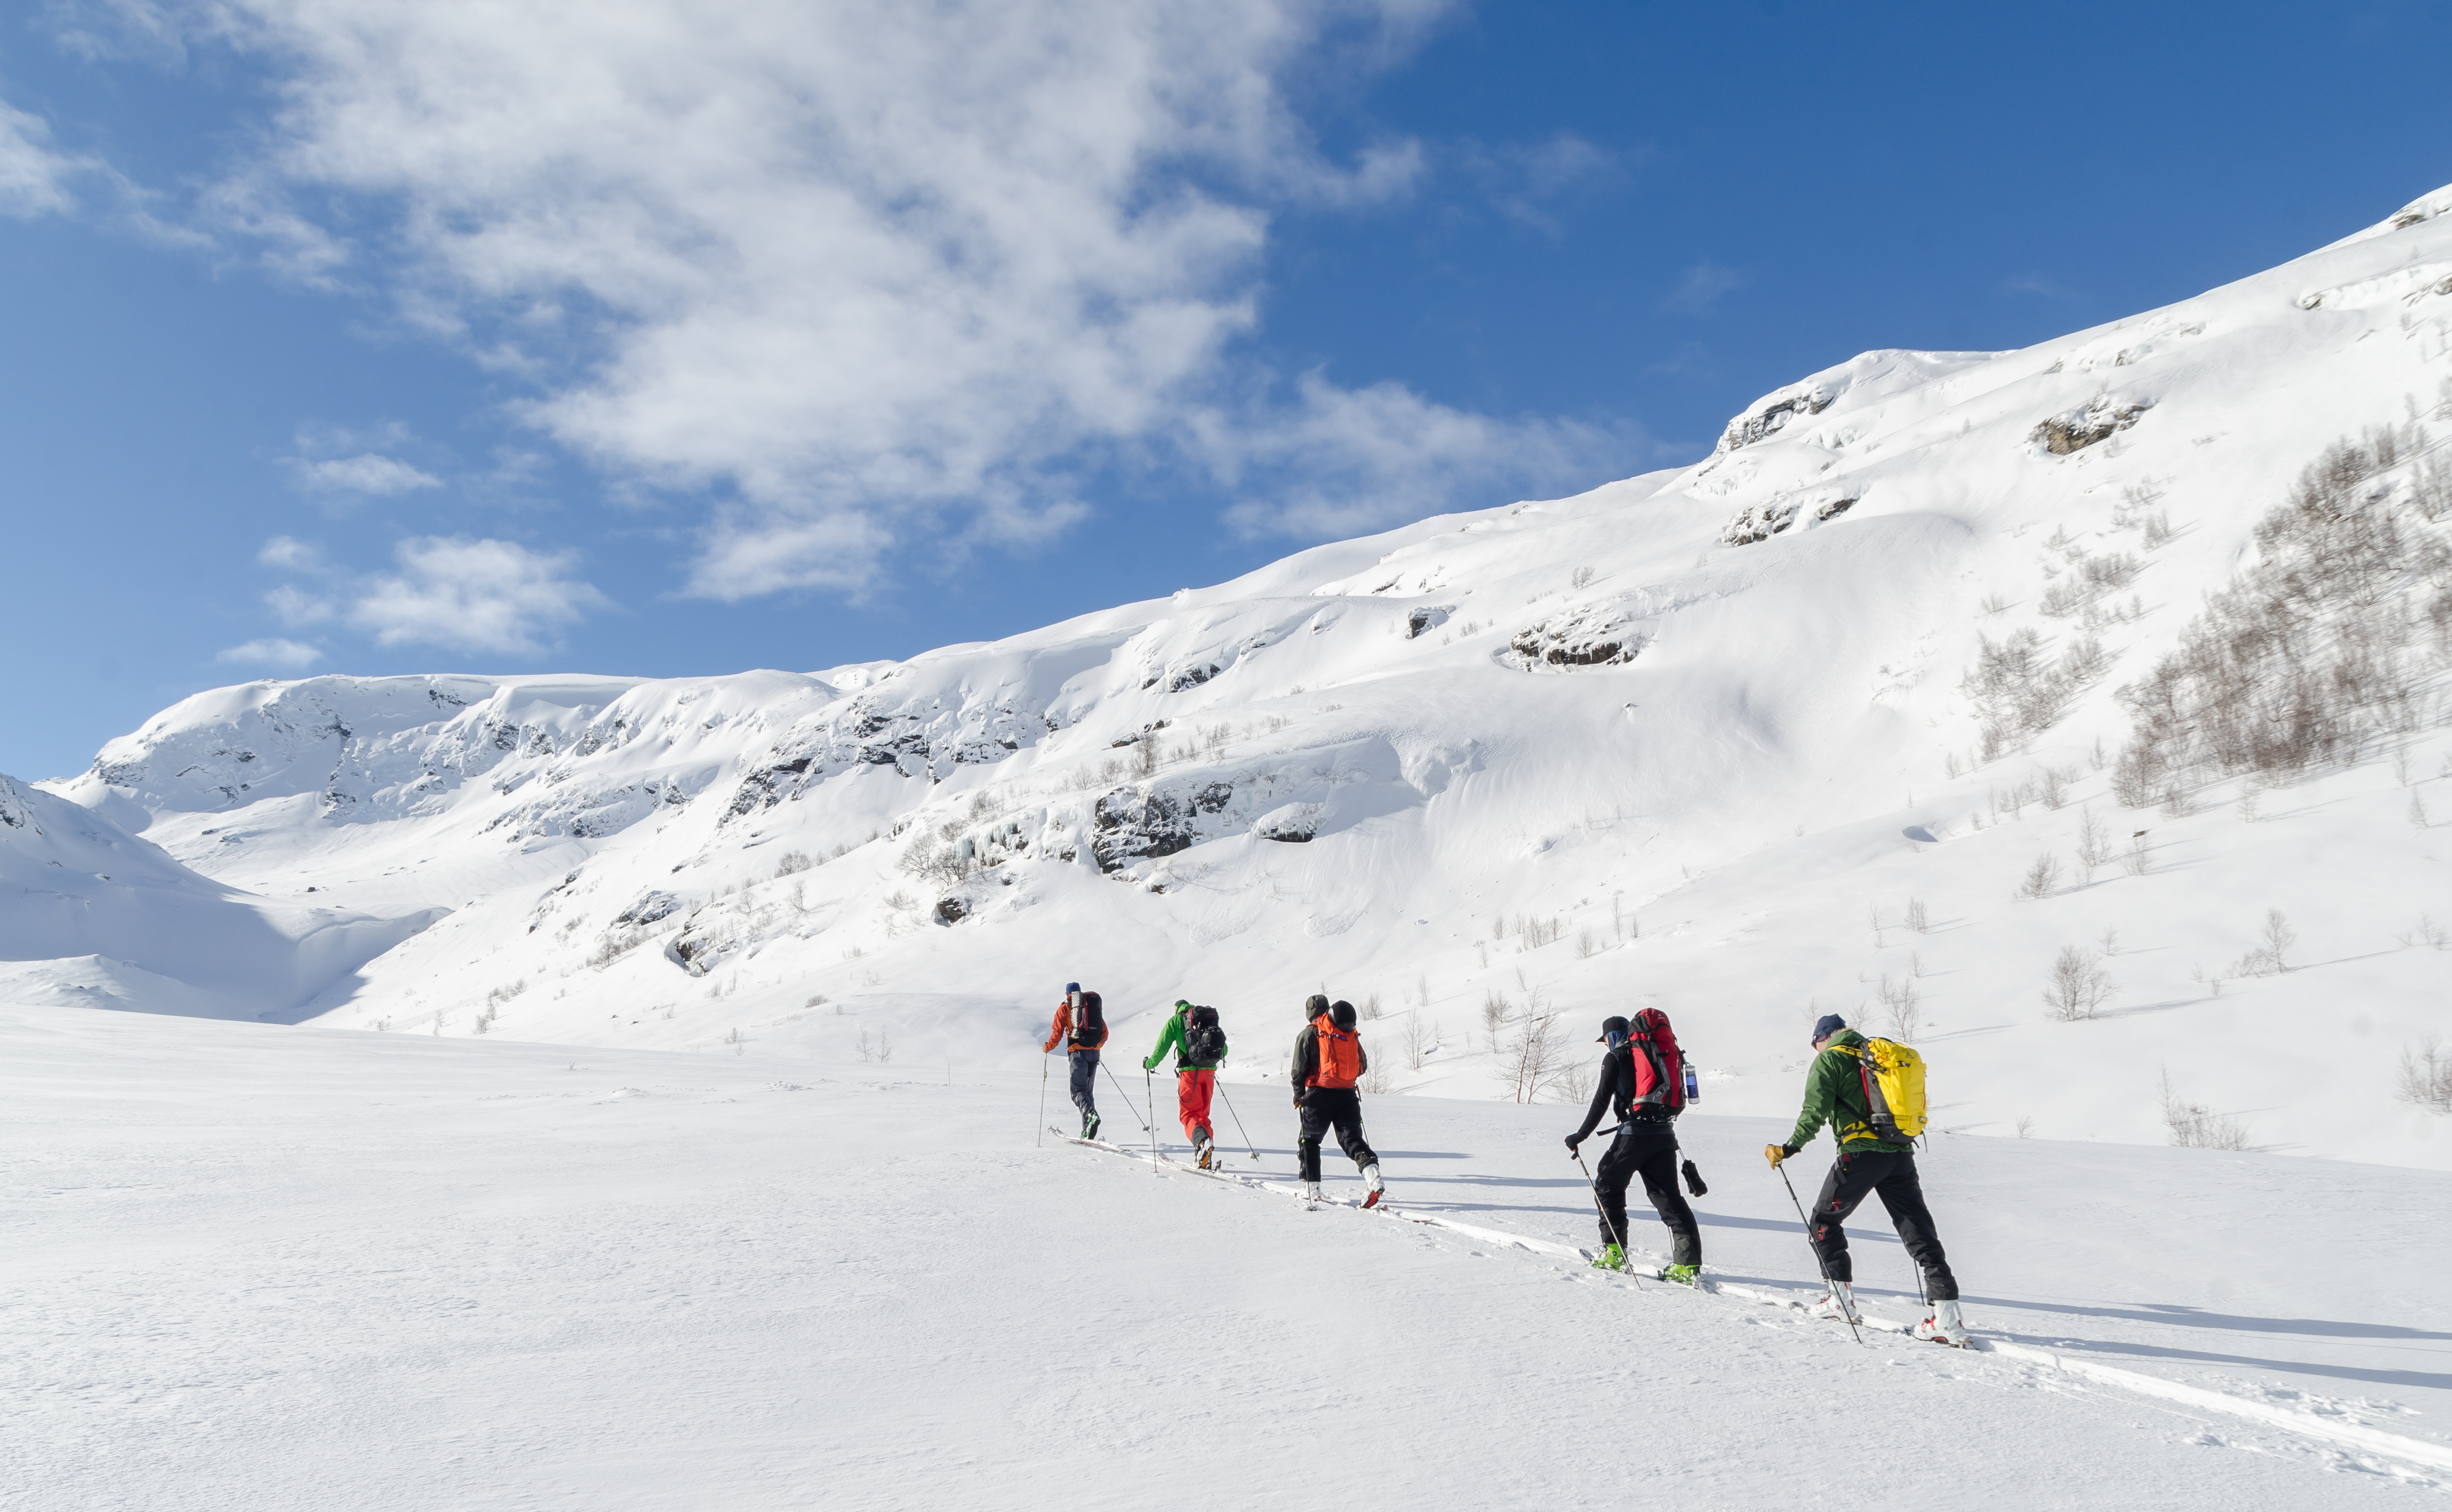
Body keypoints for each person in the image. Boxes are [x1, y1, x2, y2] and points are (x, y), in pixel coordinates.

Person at [1766, 1012, 1967, 1345]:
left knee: (1823, 1221)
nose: (1815, 1050)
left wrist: (1790, 1148)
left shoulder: (1829, 1059)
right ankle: (1947, 1318)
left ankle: (1839, 1302)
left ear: (1823, 1038)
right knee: (1918, 1231)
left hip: (1859, 1155)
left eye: (1815, 1044)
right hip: (1900, 1155)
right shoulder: (1873, 1057)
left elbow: (1814, 1110)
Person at [1565, 1011, 1702, 1284]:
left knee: (1607, 1185)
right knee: (1668, 1197)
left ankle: (1614, 1254)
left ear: (1612, 1035)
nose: (1606, 1045)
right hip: (1664, 1133)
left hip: (1634, 1135)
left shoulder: (1615, 1057)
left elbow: (1601, 1101)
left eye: (1605, 1039)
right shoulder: (1657, 1053)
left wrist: (1580, 1136)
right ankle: (1687, 1266)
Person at [1289, 996, 1383, 1207]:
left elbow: (1297, 1070)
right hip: (1348, 1095)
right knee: (1351, 1138)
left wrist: (1298, 1094)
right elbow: (1363, 1065)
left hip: (1319, 1095)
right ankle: (1372, 1174)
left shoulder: (1309, 1033)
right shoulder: (1346, 1032)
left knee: (1310, 1140)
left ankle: (1312, 1189)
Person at [1143, 999, 1229, 1168]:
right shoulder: (1207, 1021)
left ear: (1177, 1009)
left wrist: (1149, 1064)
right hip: (1210, 1073)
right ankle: (1204, 1157)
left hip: (1190, 1074)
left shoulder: (1176, 1021)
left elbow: (1162, 1048)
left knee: (1189, 1115)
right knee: (1203, 1117)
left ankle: (1203, 1143)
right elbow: (1224, 1050)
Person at [1042, 983, 1109, 1140]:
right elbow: (1105, 1033)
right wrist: (1096, 1047)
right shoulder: (1091, 1007)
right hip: (1094, 1053)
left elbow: (1057, 1032)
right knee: (1088, 1093)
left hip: (1077, 1052)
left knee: (1078, 1091)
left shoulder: (1066, 1007)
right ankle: (1088, 1131)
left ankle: (1091, 1116)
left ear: (1067, 994)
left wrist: (1048, 1047)